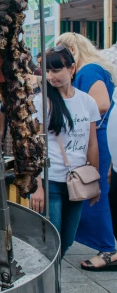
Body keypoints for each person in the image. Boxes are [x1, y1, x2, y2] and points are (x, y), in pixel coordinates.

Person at [29, 46, 100, 257]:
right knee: (52, 240)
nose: (51, 76)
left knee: (68, 238)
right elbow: (34, 146)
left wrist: (93, 180)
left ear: (72, 69)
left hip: (77, 181)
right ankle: (50, 284)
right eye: (47, 71)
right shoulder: (41, 102)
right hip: (51, 181)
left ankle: (52, 278)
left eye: (56, 70)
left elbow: (92, 144)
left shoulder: (87, 102)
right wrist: (37, 186)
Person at [57, 32, 117, 270]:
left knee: (95, 193)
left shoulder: (89, 70)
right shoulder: (93, 68)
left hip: (95, 140)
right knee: (95, 192)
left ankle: (108, 250)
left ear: (72, 48)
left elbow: (101, 104)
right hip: (98, 139)